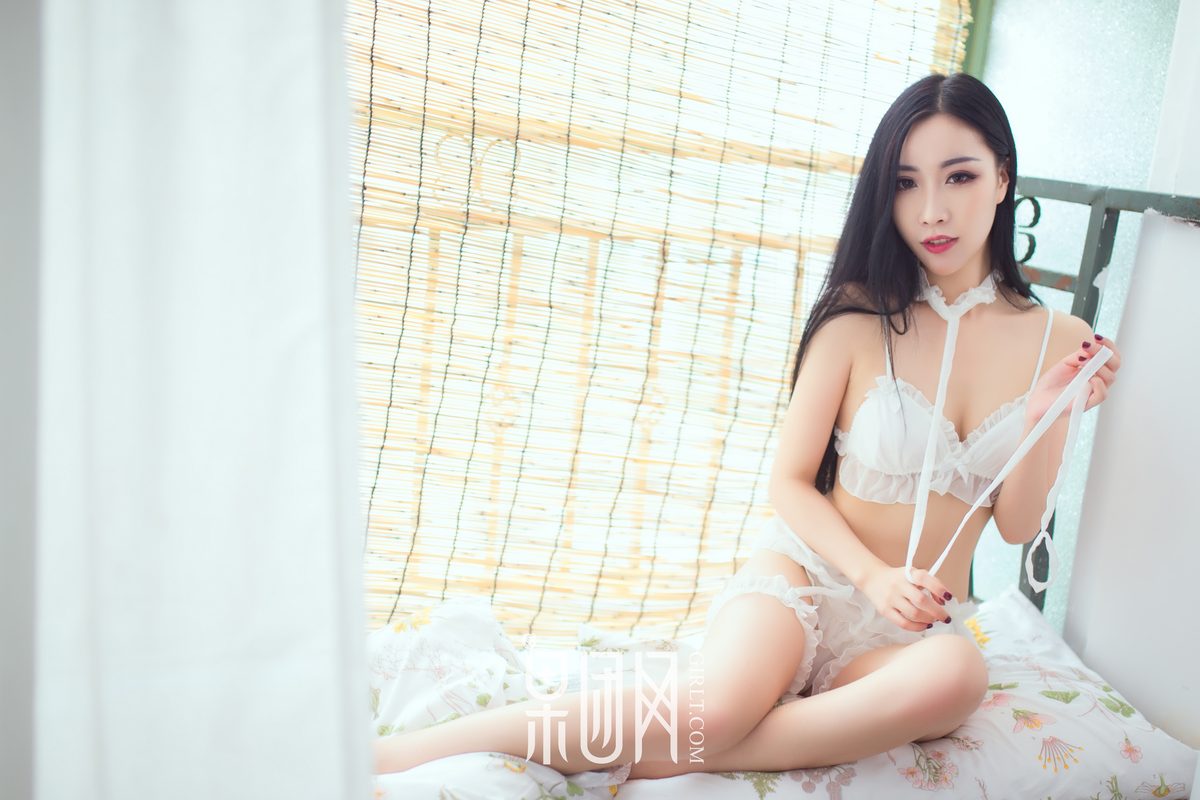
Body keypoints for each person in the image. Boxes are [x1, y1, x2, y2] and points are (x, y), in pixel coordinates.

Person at [372, 71, 1121, 780]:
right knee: (719, 710)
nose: (931, 210)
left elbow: (1017, 526)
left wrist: (1047, 414)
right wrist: (872, 576)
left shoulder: (1060, 341)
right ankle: (409, 754)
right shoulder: (859, 317)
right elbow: (789, 484)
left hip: (913, 633)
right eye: (905, 183)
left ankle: (697, 749)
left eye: (958, 176)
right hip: (808, 581)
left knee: (958, 676)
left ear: (1002, 177)